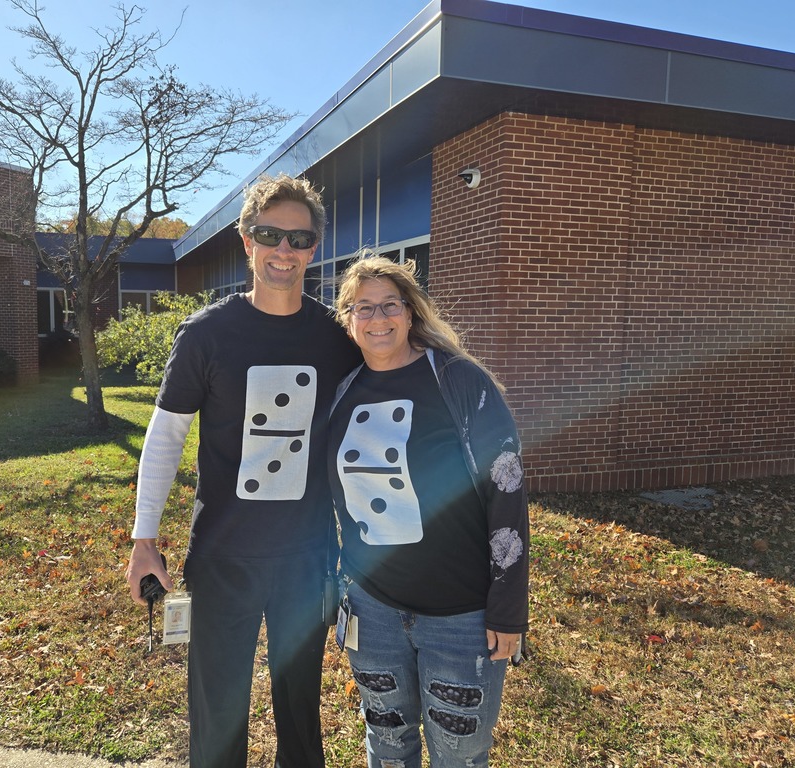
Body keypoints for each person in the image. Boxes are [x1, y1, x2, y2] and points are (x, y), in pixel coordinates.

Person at [125, 173, 361, 768]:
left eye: (300, 238)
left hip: (308, 558)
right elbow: (166, 436)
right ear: (245, 239)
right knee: (217, 715)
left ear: (315, 248)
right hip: (223, 555)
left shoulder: (338, 340)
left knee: (301, 719)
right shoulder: (206, 335)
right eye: (269, 234)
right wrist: (143, 540)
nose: (285, 249)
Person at [328, 255, 529, 768]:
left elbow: (507, 492)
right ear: (348, 320)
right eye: (363, 308)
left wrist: (508, 605)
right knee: (387, 749)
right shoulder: (341, 394)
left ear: (410, 312)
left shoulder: (460, 382)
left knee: (458, 758)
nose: (378, 319)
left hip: (461, 619)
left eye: (389, 305)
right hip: (372, 613)